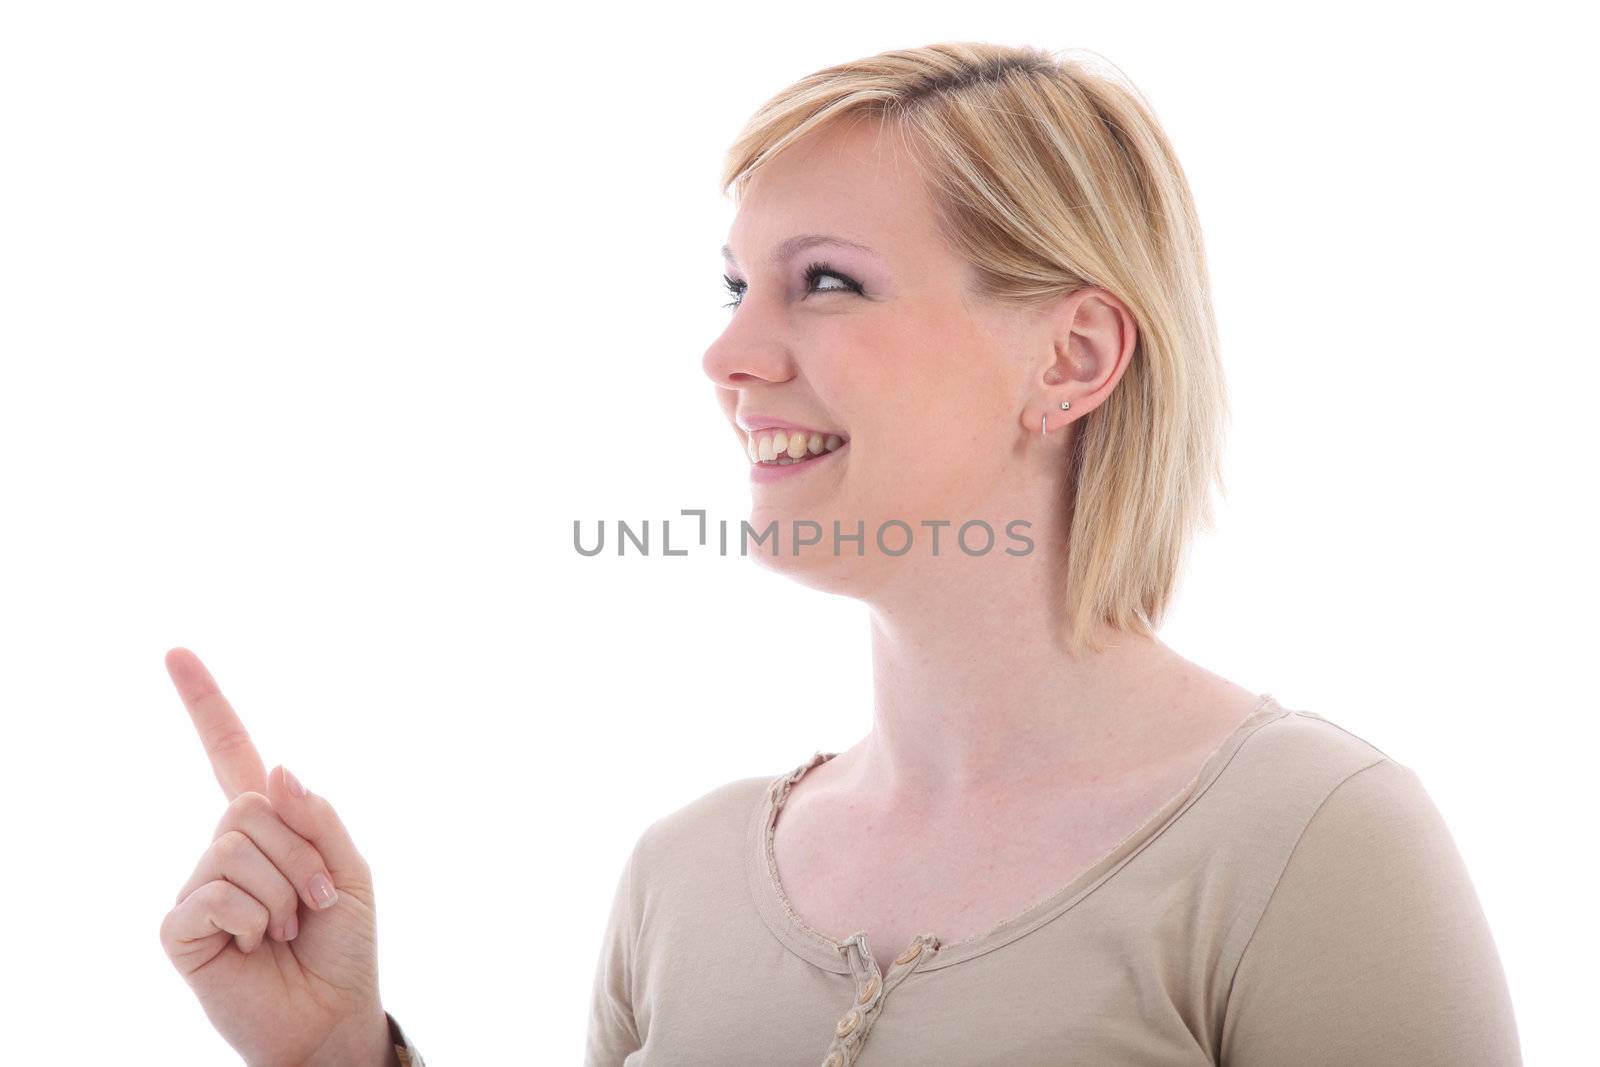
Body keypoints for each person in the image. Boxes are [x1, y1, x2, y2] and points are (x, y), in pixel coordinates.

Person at [159, 40, 1521, 1067]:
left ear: (1074, 356)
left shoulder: (1312, 846)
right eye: (736, 285)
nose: (728, 355)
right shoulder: (679, 877)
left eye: (827, 282)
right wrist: (343, 1061)